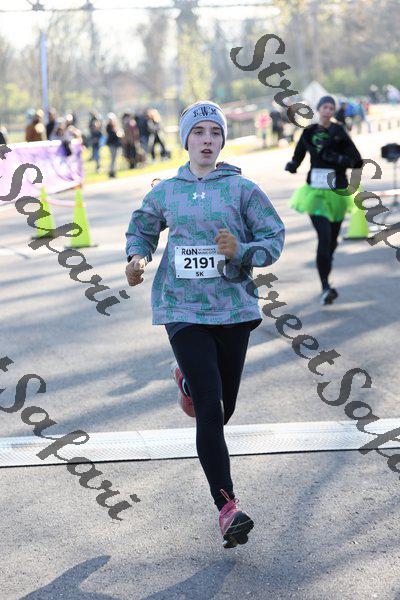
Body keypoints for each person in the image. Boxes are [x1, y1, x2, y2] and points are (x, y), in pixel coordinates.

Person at [125, 100, 285, 548]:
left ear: (222, 140)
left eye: (215, 132)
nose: (207, 140)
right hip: (182, 308)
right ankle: (227, 508)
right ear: (186, 140)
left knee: (222, 409)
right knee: (211, 410)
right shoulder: (166, 191)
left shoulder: (243, 189)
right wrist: (137, 257)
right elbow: (142, 228)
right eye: (198, 132)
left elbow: (273, 238)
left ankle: (186, 382)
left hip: (233, 309)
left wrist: (242, 251)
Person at [285, 95, 363, 305]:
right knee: (324, 237)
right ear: (318, 109)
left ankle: (326, 265)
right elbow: (298, 155)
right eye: (325, 107)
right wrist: (292, 166)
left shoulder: (339, 132)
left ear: (334, 111)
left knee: (332, 241)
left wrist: (337, 158)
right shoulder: (309, 132)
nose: (328, 110)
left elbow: (357, 161)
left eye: (331, 108)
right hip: (315, 193)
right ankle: (325, 287)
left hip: (337, 193)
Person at [105, 113, 122, 178]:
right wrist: (117, 133)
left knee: (115, 159)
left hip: (116, 144)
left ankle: (113, 171)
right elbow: (112, 135)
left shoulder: (115, 126)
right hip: (112, 144)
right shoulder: (108, 126)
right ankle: (111, 172)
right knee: (112, 159)